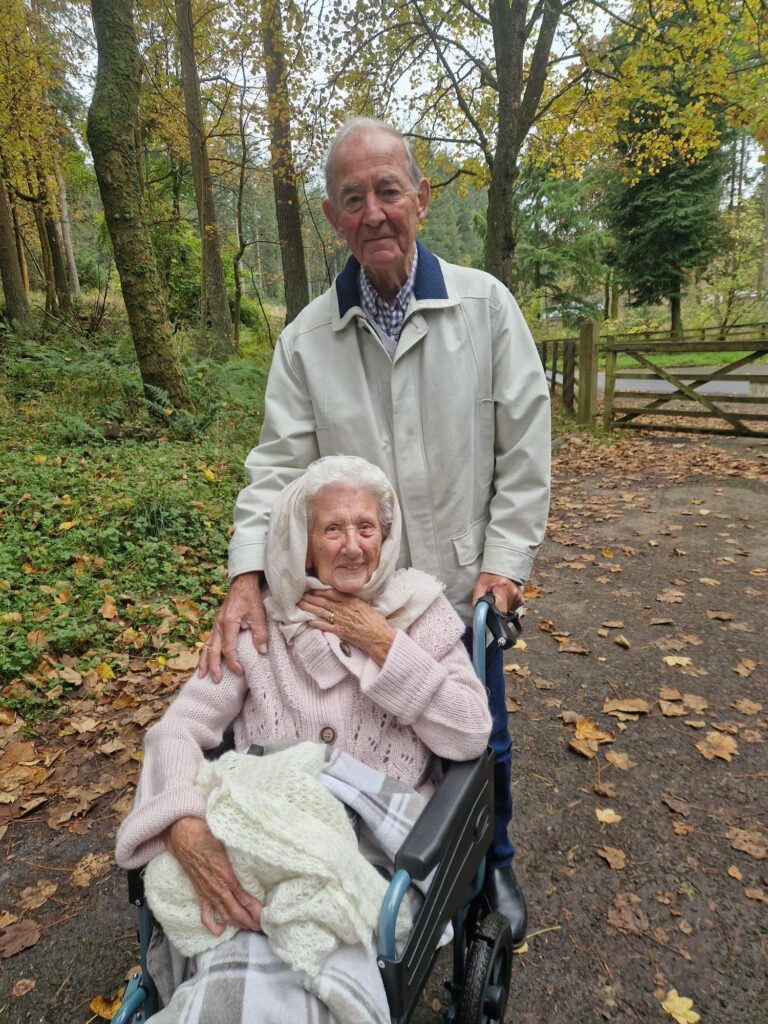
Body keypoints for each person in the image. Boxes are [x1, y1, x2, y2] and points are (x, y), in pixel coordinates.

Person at [200, 117, 551, 946]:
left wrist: (505, 565)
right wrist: (247, 573)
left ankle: (493, 858)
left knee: (477, 737)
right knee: (369, 734)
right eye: (353, 198)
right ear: (333, 218)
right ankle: (369, 864)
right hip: (357, 592)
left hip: (459, 585)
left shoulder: (486, 308)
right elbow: (277, 469)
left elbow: (525, 447)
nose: (374, 213)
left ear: (421, 199)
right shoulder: (305, 342)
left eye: (389, 191)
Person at [116, 456, 492, 1022]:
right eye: (332, 529)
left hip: (370, 858)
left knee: (320, 964)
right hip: (261, 836)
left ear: (385, 538)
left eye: (366, 527)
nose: (352, 546)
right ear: (305, 541)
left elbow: (468, 731)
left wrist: (385, 643)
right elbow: (177, 728)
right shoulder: (260, 620)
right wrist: (183, 821)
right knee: (238, 947)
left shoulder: (422, 615)